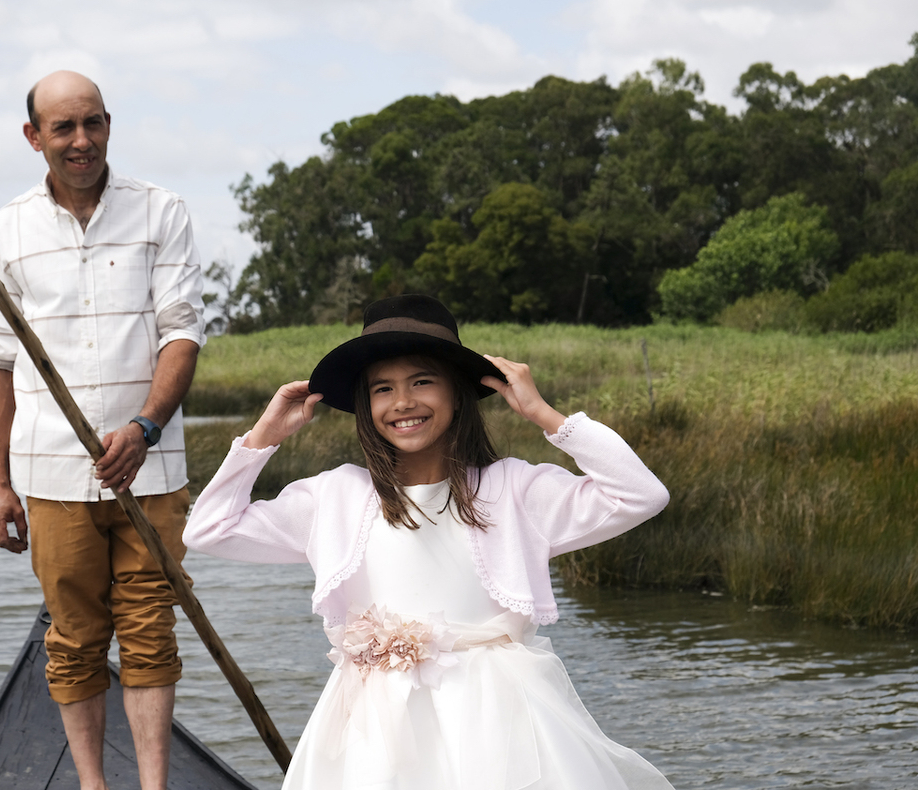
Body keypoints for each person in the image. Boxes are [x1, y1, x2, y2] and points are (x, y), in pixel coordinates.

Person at [184, 294, 676, 789]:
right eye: (382, 388)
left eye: (422, 381)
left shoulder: (514, 490)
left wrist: (546, 415)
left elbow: (641, 495)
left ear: (458, 392)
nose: (403, 402)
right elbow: (208, 529)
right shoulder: (335, 497)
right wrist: (262, 438)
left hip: (496, 727)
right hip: (374, 737)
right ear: (365, 405)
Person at [0, 70, 206, 790]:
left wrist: (145, 427)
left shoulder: (161, 211)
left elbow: (182, 333)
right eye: (64, 127)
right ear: (33, 136)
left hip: (152, 469)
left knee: (150, 631)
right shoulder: (7, 229)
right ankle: (93, 785)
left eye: (93, 123)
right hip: (50, 471)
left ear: (108, 125)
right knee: (73, 639)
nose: (82, 141)